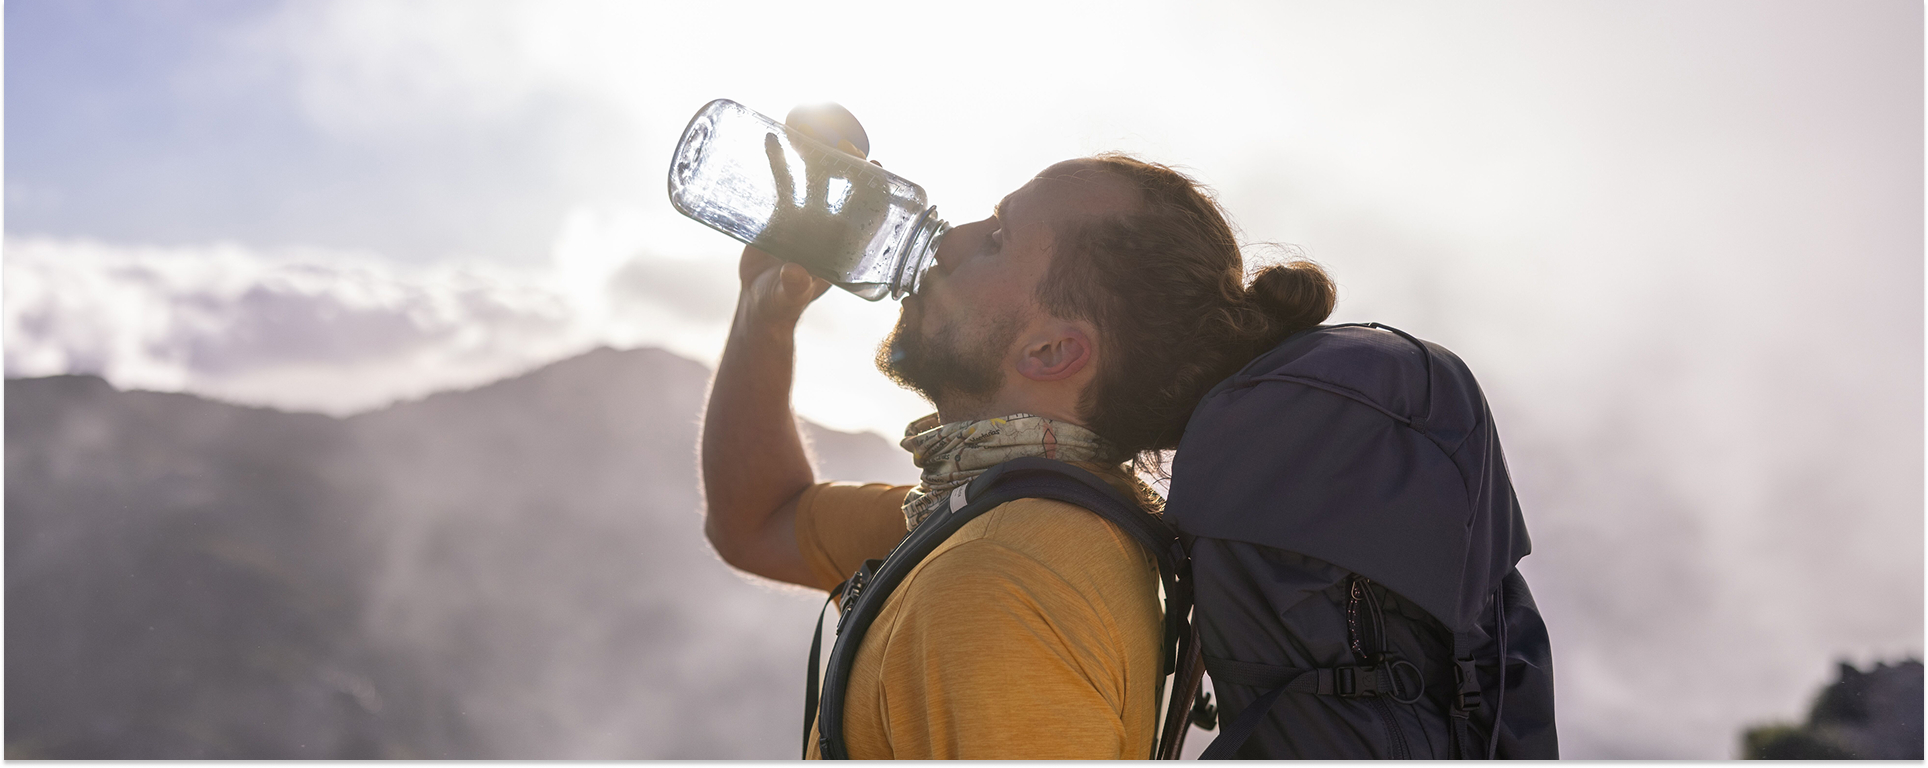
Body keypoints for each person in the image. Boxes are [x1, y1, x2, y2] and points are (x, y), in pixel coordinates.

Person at [699, 154, 1335, 759]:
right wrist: (766, 307)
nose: (946, 240)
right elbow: (758, 520)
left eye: (996, 238)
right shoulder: (1011, 518)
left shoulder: (996, 579)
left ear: (1053, 352)